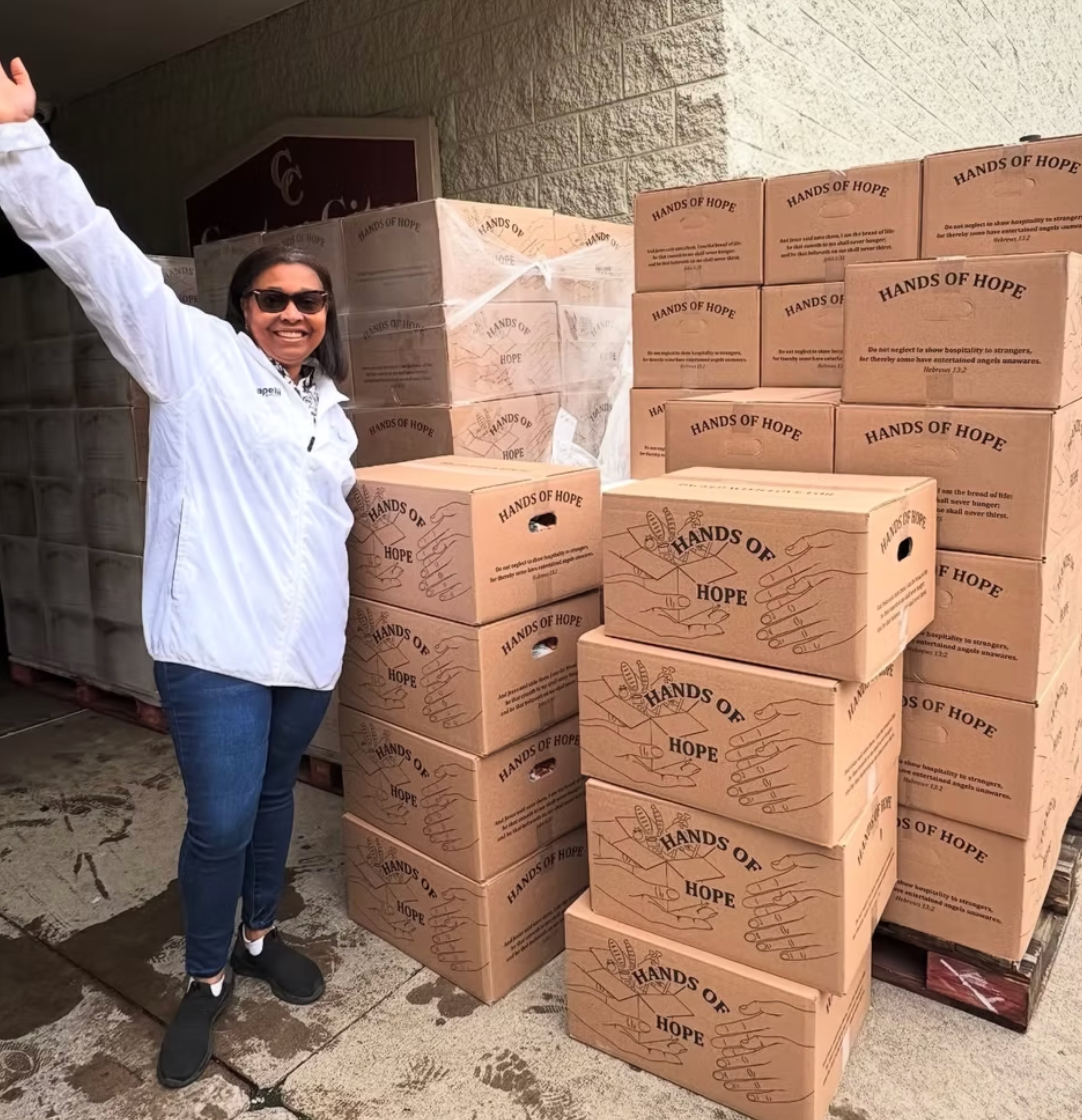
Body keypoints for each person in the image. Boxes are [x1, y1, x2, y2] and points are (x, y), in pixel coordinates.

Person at [0, 58, 359, 1089]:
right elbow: (96, 260)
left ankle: (255, 937)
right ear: (243, 305)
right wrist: (22, 143)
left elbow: (325, 523)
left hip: (303, 649)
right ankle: (205, 977)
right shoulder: (191, 359)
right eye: (274, 297)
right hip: (213, 647)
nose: (293, 313)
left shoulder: (325, 412)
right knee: (224, 817)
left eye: (311, 302)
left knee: (278, 800)